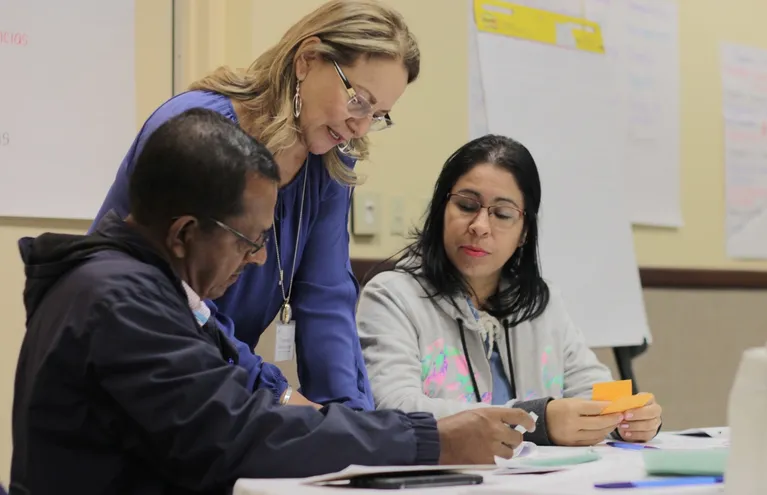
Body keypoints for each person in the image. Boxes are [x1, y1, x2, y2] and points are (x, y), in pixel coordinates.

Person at [10, 110, 535, 495]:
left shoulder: (151, 291)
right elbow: (238, 434)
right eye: (251, 240)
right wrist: (429, 440)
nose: (260, 258)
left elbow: (251, 394)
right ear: (184, 233)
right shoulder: (121, 303)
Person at [88, 0, 420, 410]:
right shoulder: (199, 128)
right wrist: (278, 394)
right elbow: (180, 301)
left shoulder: (330, 162)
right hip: (134, 368)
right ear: (307, 60)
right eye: (359, 101)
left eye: (378, 114)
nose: (361, 126)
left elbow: (327, 299)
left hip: (217, 383)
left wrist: (351, 417)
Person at [356, 135, 663, 447]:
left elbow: (592, 390)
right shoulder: (392, 297)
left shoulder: (541, 303)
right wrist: (535, 421)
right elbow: (394, 410)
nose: (480, 226)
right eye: (466, 206)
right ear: (441, 210)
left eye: (502, 214)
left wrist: (627, 417)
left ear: (524, 232)